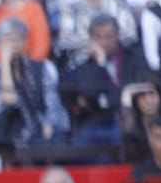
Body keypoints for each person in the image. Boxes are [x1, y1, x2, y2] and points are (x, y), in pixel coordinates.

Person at [0, 18, 71, 160]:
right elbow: (6, 101)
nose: (13, 44)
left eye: (17, 39)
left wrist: (48, 124)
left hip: (45, 127)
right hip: (14, 132)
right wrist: (5, 62)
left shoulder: (43, 67)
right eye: (7, 40)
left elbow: (52, 102)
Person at [62, 14, 145, 160]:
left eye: (108, 36)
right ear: (91, 39)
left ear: (117, 36)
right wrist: (100, 62)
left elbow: (134, 90)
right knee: (75, 150)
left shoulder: (133, 57)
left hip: (128, 118)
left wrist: (105, 100)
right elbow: (90, 93)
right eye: (98, 37)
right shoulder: (84, 65)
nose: (104, 42)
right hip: (94, 120)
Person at [54, 0, 139, 67]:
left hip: (118, 60)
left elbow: (130, 34)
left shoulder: (118, 4)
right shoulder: (69, 10)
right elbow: (65, 41)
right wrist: (91, 46)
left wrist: (106, 43)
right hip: (83, 64)